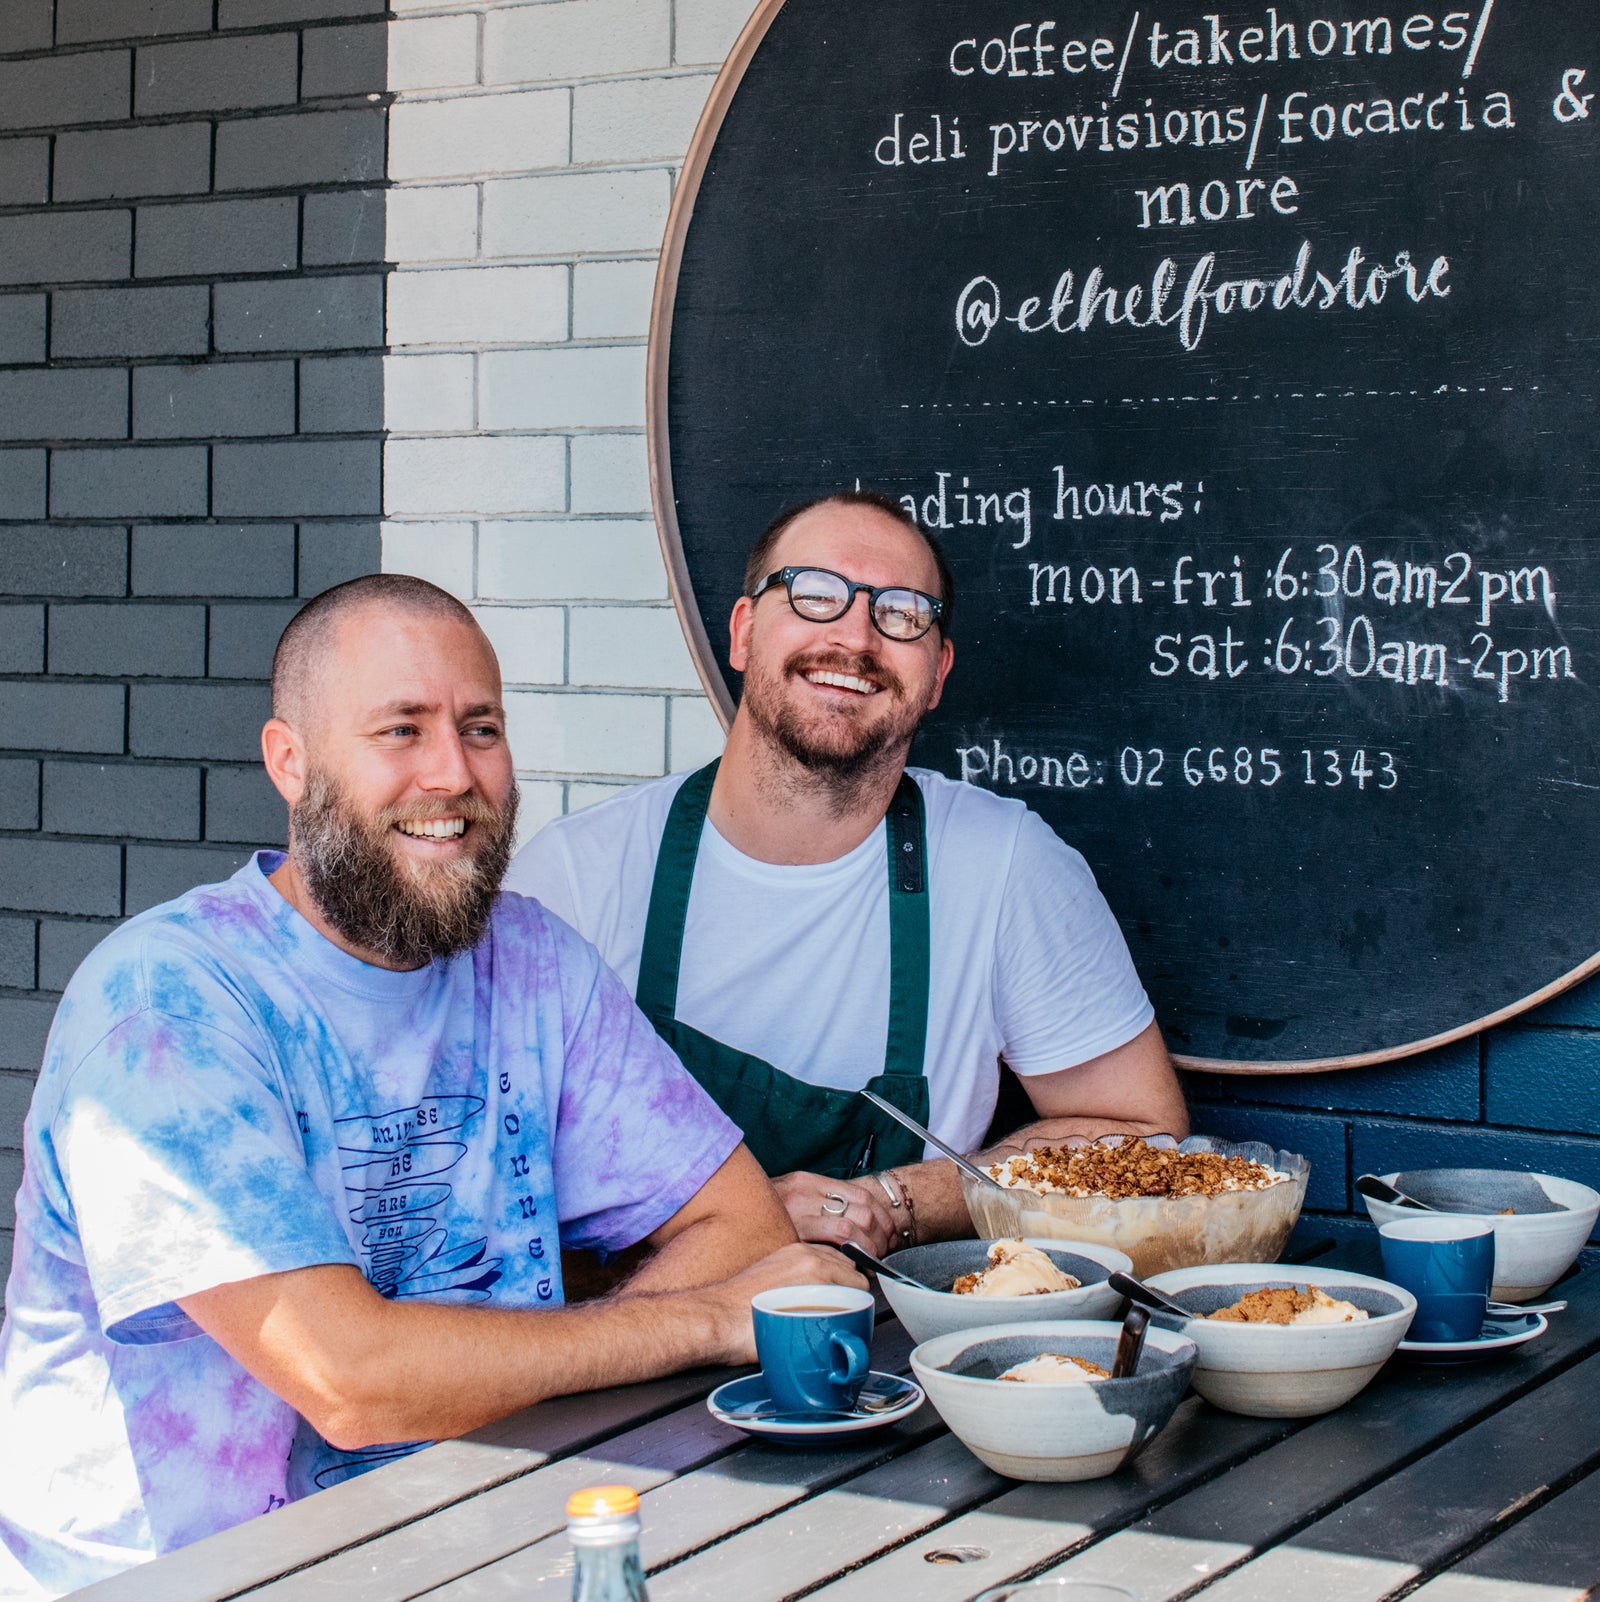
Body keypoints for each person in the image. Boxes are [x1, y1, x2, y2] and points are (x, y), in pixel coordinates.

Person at [0, 575, 858, 1600]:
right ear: (292, 761)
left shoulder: (530, 962)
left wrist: (488, 1363)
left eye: (480, 728)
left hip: (478, 1550)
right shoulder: (168, 1005)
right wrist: (707, 1319)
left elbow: (746, 1231)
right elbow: (351, 1384)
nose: (452, 773)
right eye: (400, 731)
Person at [507, 491, 1190, 1261]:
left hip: (883, 1353)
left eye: (902, 613)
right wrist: (727, 1230)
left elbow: (1141, 1136)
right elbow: (491, 1166)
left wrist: (893, 1202)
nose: (856, 637)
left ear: (937, 673)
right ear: (741, 632)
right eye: (816, 595)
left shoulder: (1005, 867)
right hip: (632, 1339)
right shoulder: (575, 878)